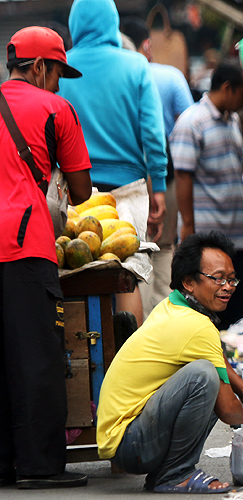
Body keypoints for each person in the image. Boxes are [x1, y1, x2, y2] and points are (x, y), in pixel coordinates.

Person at [96, 231, 243, 493]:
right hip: (130, 445)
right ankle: (176, 474)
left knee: (211, 373)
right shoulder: (196, 326)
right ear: (189, 282)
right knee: (204, 376)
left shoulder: (174, 305)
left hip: (126, 439)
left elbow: (218, 358)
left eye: (231, 279)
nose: (227, 286)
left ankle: (169, 472)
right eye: (217, 278)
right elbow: (229, 411)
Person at [0, 26, 93, 488]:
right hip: (25, 245)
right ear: (39, 67)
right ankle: (38, 465)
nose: (59, 84)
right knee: (36, 357)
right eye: (57, 72)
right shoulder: (56, 108)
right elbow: (81, 190)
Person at [59, 0, 169, 327]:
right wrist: (159, 187)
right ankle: (127, 357)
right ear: (113, 22)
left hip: (75, 191)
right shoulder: (136, 65)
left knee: (79, 276)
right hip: (130, 188)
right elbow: (153, 131)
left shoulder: (62, 67)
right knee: (127, 274)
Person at [171, 58, 243, 330]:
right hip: (209, 237)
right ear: (228, 88)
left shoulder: (233, 120)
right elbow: (183, 175)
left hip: (235, 236)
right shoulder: (193, 122)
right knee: (209, 311)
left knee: (237, 309)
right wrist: (188, 227)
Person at [119, 18, 195, 318]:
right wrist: (160, 189)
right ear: (145, 45)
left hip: (135, 180)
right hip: (162, 174)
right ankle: (166, 327)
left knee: (137, 261)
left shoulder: (113, 74)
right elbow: (183, 125)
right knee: (162, 254)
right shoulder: (162, 75)